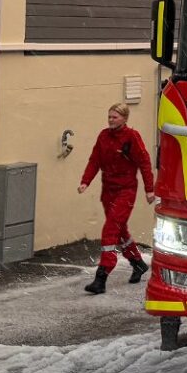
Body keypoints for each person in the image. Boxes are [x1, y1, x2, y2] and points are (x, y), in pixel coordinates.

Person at [79, 101, 156, 294]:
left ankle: (101, 276)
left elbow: (145, 163)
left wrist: (149, 189)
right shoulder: (104, 136)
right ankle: (137, 262)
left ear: (124, 118)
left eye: (114, 117)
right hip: (108, 190)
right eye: (109, 117)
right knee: (120, 230)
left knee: (110, 230)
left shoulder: (132, 137)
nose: (111, 120)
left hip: (126, 190)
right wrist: (85, 181)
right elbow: (94, 160)